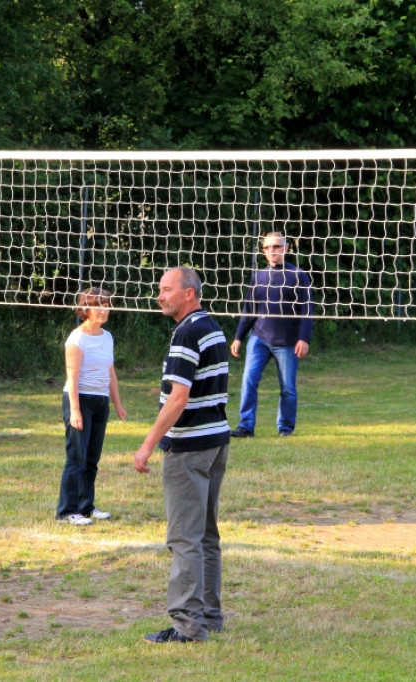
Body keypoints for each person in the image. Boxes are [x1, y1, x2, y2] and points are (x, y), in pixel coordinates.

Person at [134, 266, 230, 643]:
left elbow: (179, 397)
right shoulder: (212, 325)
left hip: (190, 446)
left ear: (189, 294)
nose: (160, 295)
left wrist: (147, 445)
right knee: (205, 535)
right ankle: (210, 615)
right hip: (215, 442)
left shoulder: (187, 331)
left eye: (166, 289)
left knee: (185, 538)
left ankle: (189, 627)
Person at [229, 231, 313, 438]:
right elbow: (250, 310)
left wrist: (304, 338)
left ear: (286, 248)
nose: (272, 251)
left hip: (287, 342)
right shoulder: (259, 276)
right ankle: (246, 426)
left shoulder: (298, 276)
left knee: (288, 388)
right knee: (249, 381)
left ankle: (285, 428)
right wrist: (239, 337)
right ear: (264, 251)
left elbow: (307, 310)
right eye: (268, 247)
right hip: (259, 339)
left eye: (276, 246)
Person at [56, 287, 128, 526]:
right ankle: (67, 511)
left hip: (100, 401)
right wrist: (75, 410)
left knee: (91, 458)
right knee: (76, 457)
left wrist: (117, 403)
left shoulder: (107, 337)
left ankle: (86, 506)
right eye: (98, 305)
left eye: (106, 305)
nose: (103, 310)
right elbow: (72, 377)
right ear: (85, 309)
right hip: (80, 399)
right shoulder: (77, 338)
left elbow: (111, 372)